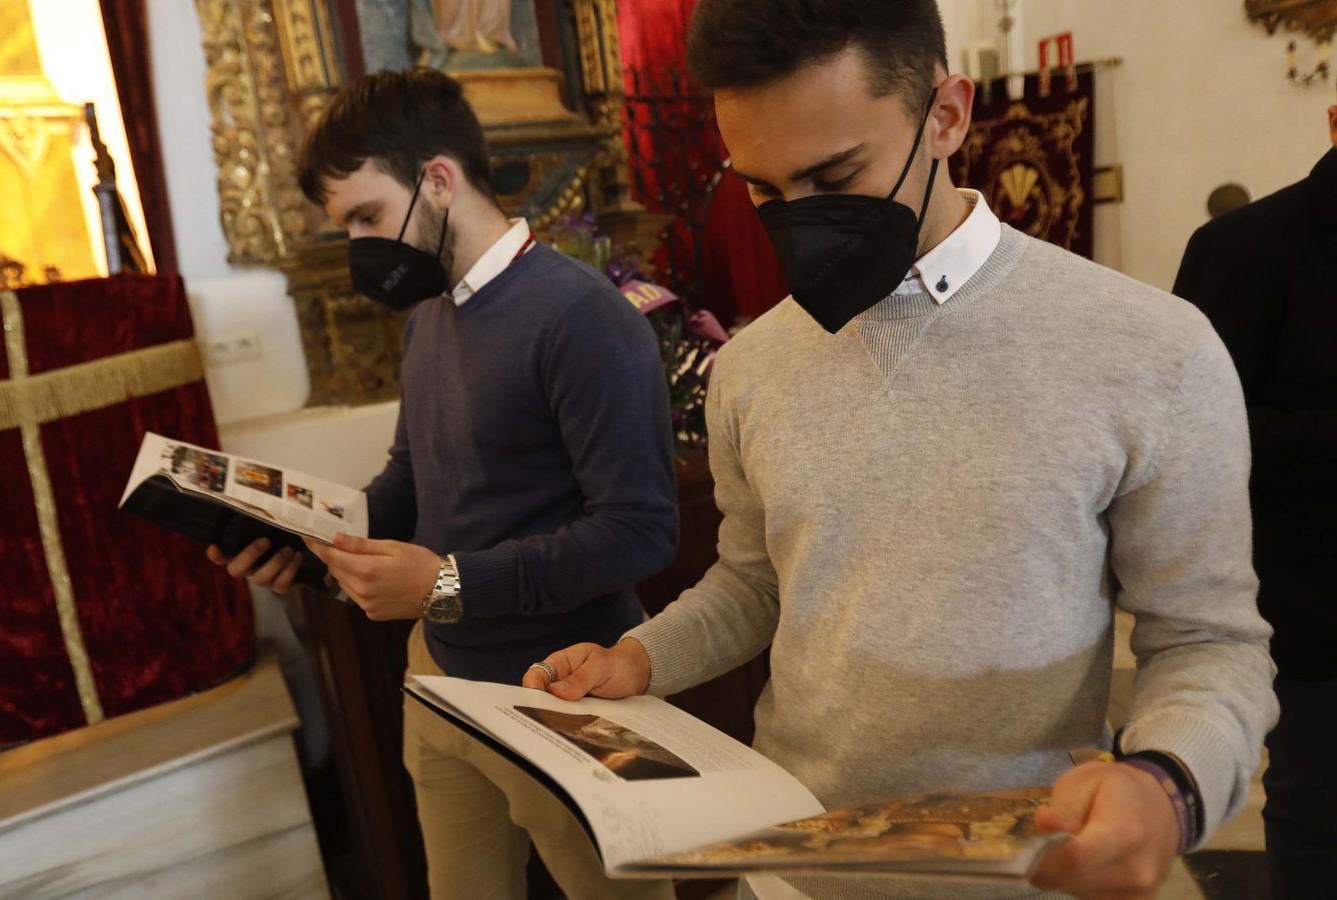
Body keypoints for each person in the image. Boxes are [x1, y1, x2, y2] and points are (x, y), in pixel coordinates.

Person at [522, 3, 1278, 899]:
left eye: (837, 174)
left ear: (948, 116)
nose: (798, 224)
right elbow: (758, 580)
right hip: (793, 865)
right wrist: (639, 659)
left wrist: (1168, 786)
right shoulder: (752, 367)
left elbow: (1207, 642)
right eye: (763, 192)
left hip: (1028, 869)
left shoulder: (1150, 350)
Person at [208, 68, 678, 900]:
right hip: (439, 676)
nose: (359, 244)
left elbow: (640, 530)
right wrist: (309, 538)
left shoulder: (583, 319)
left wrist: (448, 582)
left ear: (438, 180)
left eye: (367, 216)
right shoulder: (431, 314)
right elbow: (414, 479)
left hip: (564, 690)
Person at [1171, 106, 1337, 899]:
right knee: (1321, 827)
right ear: (1336, 123)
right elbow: (1198, 434)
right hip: (1319, 611)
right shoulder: (1245, 249)